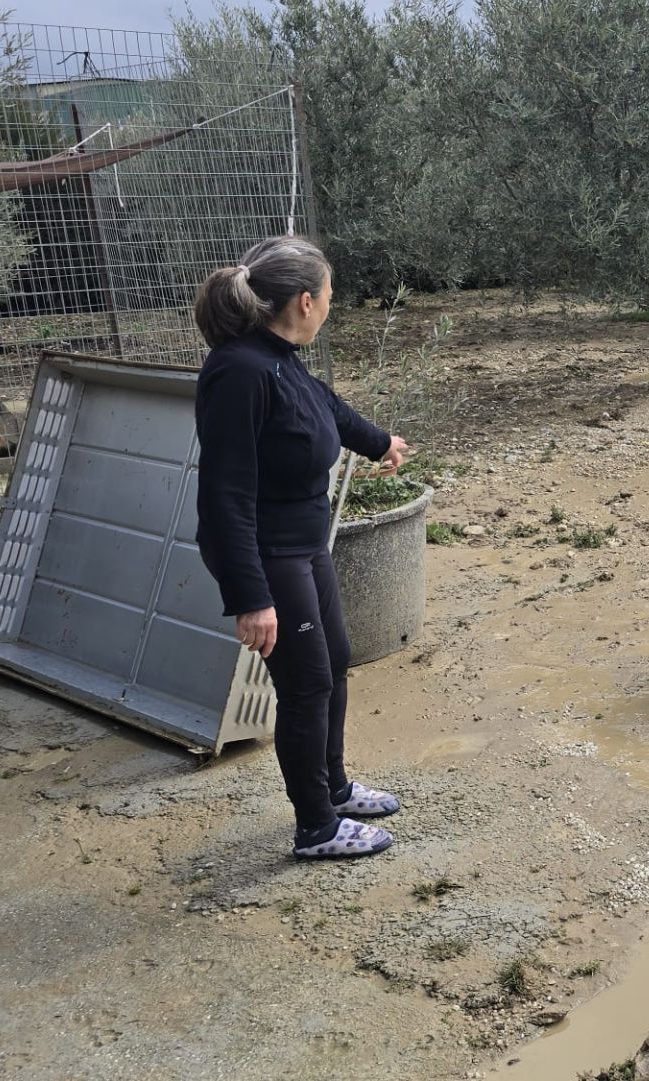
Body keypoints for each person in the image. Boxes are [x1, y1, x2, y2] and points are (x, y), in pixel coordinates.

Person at [192, 236, 410, 859]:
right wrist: (250, 597)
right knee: (307, 683)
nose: (332, 307)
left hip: (304, 544)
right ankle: (315, 825)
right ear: (307, 302)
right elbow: (223, 495)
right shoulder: (240, 371)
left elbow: (325, 410)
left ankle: (333, 788)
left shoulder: (281, 358)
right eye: (332, 297)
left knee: (332, 662)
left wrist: (379, 443)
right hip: (268, 554)